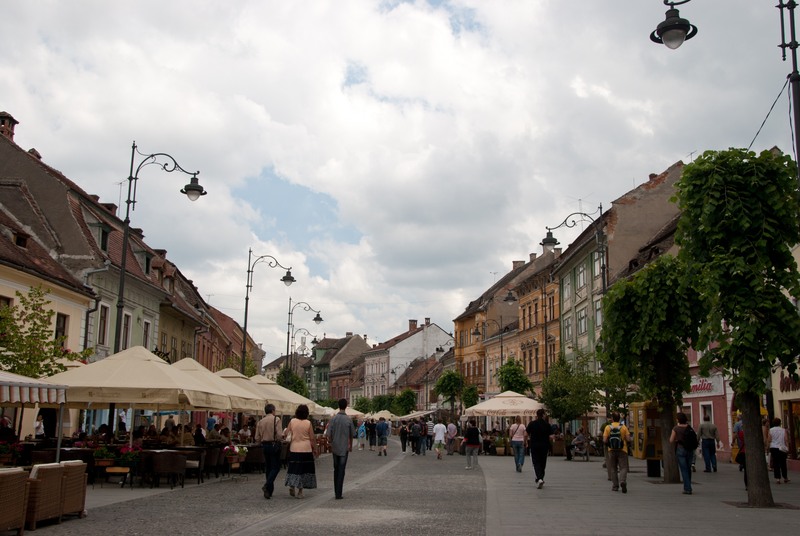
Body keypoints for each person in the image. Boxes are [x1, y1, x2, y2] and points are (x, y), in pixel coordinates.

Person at [284, 404, 317, 499]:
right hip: (306, 449)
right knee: (303, 470)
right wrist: (315, 449)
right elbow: (312, 437)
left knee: (294, 469)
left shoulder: (292, 421)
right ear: (306, 413)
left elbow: (286, 433)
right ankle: (300, 491)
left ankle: (292, 485)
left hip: (294, 448)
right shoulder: (308, 423)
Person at [325, 398, 355, 500]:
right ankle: (339, 493)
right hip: (344, 448)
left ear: (338, 406)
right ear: (346, 406)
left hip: (335, 447)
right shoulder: (349, 420)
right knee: (341, 470)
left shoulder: (333, 419)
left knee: (336, 469)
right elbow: (352, 434)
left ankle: (336, 491)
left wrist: (331, 442)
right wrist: (350, 445)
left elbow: (328, 434)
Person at [254, 403, 283, 499]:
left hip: (264, 445)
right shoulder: (276, 419)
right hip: (274, 445)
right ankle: (267, 485)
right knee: (276, 467)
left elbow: (257, 437)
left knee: (268, 467)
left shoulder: (260, 421)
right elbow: (279, 435)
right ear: (273, 411)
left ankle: (269, 492)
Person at [603, 411, 631, 493]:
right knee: (623, 467)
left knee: (613, 468)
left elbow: (604, 440)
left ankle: (615, 486)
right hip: (622, 450)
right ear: (619, 418)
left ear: (612, 418)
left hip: (611, 450)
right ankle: (622, 481)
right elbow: (628, 439)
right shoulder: (624, 427)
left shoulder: (608, 427)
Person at [526, 408, 554, 489]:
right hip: (544, 446)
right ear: (543, 415)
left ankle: (540, 478)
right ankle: (540, 477)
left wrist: (526, 442)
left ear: (536, 415)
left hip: (534, 445)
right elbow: (551, 436)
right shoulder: (547, 424)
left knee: (536, 462)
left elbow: (525, 433)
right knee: (543, 462)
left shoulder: (532, 423)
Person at [669, 412, 693, 495]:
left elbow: (671, 440)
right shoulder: (689, 427)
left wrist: (677, 440)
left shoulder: (676, 428)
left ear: (678, 419)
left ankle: (688, 488)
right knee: (688, 468)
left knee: (684, 469)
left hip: (681, 449)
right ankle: (688, 485)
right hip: (690, 449)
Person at [768, 418, 791, 484]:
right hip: (782, 448)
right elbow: (786, 439)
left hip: (774, 447)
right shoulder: (783, 430)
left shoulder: (771, 430)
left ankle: (778, 478)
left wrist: (769, 445)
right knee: (783, 463)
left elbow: (769, 440)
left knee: (776, 463)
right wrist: (787, 447)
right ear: (780, 423)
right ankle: (785, 477)